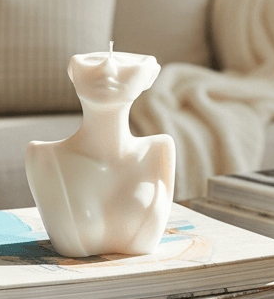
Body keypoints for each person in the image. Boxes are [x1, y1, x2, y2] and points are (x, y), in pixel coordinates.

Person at [26, 49, 175, 257]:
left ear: (150, 77)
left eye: (124, 63)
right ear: (72, 72)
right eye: (92, 61)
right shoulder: (42, 157)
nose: (107, 68)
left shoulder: (160, 151)